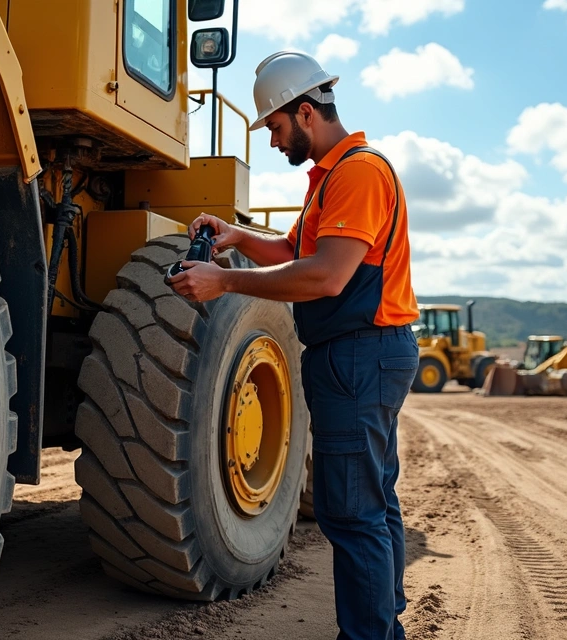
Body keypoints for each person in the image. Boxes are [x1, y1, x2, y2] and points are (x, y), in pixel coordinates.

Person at [168, 51, 420, 640]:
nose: (274, 142)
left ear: (305, 112)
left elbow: (326, 276)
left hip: (360, 354)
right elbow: (293, 254)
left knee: (352, 513)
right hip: (364, 353)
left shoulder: (357, 173)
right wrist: (237, 238)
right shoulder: (332, 177)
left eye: (276, 127)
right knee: (374, 503)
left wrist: (224, 279)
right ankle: (384, 625)